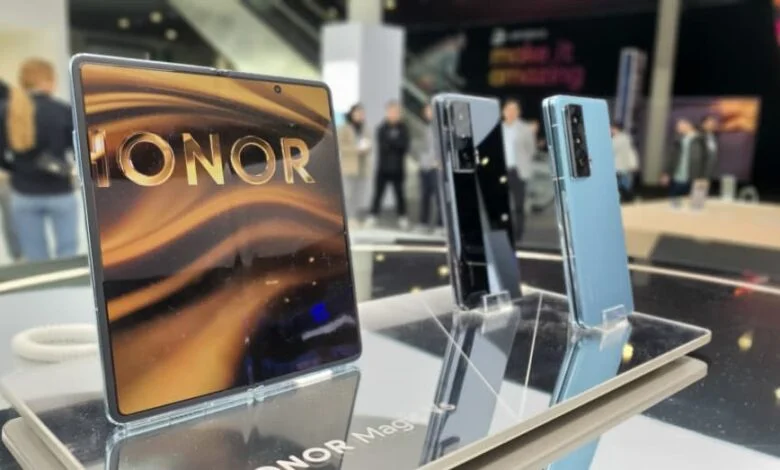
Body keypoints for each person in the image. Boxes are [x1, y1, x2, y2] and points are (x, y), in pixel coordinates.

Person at [0, 59, 77, 262]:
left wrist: (15, 169)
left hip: (23, 193)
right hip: (60, 191)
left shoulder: (7, 112)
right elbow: (76, 149)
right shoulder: (62, 110)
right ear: (47, 81)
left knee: (36, 259)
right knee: (68, 254)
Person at [366, 101, 410, 229]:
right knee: (378, 194)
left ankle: (402, 217)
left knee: (400, 194)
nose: (393, 114)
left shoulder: (404, 128)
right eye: (391, 111)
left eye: (396, 112)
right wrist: (395, 143)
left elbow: (404, 147)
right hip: (383, 168)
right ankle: (373, 216)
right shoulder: (381, 128)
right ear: (387, 112)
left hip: (398, 168)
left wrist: (392, 143)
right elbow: (384, 146)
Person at [501, 98, 535, 242]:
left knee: (519, 205)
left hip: (518, 171)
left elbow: (531, 150)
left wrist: (523, 163)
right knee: (501, 204)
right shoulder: (498, 129)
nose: (511, 112)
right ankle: (503, 231)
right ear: (503, 111)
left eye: (514, 109)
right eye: (508, 109)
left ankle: (518, 234)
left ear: (518, 112)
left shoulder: (525, 129)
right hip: (502, 170)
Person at [337, 103, 371, 223]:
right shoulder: (345, 128)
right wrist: (356, 149)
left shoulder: (365, 128)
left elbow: (369, 143)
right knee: (348, 194)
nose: (360, 115)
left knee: (359, 194)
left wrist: (366, 148)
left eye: (362, 113)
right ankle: (347, 218)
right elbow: (341, 146)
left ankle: (355, 217)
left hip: (362, 166)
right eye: (358, 113)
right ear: (352, 114)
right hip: (349, 166)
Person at [661, 118, 711, 198]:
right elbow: (671, 158)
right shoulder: (678, 140)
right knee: (673, 201)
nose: (677, 129)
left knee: (693, 202)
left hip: (694, 178)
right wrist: (666, 173)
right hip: (677, 177)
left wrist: (704, 177)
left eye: (680, 126)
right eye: (677, 127)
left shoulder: (701, 140)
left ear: (689, 125)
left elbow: (706, 160)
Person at [416, 103, 442, 231]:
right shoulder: (422, 127)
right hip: (424, 166)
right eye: (426, 110)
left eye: (430, 110)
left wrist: (440, 161)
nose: (428, 113)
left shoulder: (441, 127)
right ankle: (423, 223)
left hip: (436, 167)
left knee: (439, 197)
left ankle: (440, 225)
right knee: (424, 196)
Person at [610, 122, 640, 201]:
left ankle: (627, 198)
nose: (610, 130)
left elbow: (610, 150)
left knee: (621, 184)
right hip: (624, 166)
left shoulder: (617, 139)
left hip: (618, 166)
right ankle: (630, 198)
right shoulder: (626, 138)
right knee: (624, 183)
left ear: (615, 129)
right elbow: (631, 152)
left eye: (611, 128)